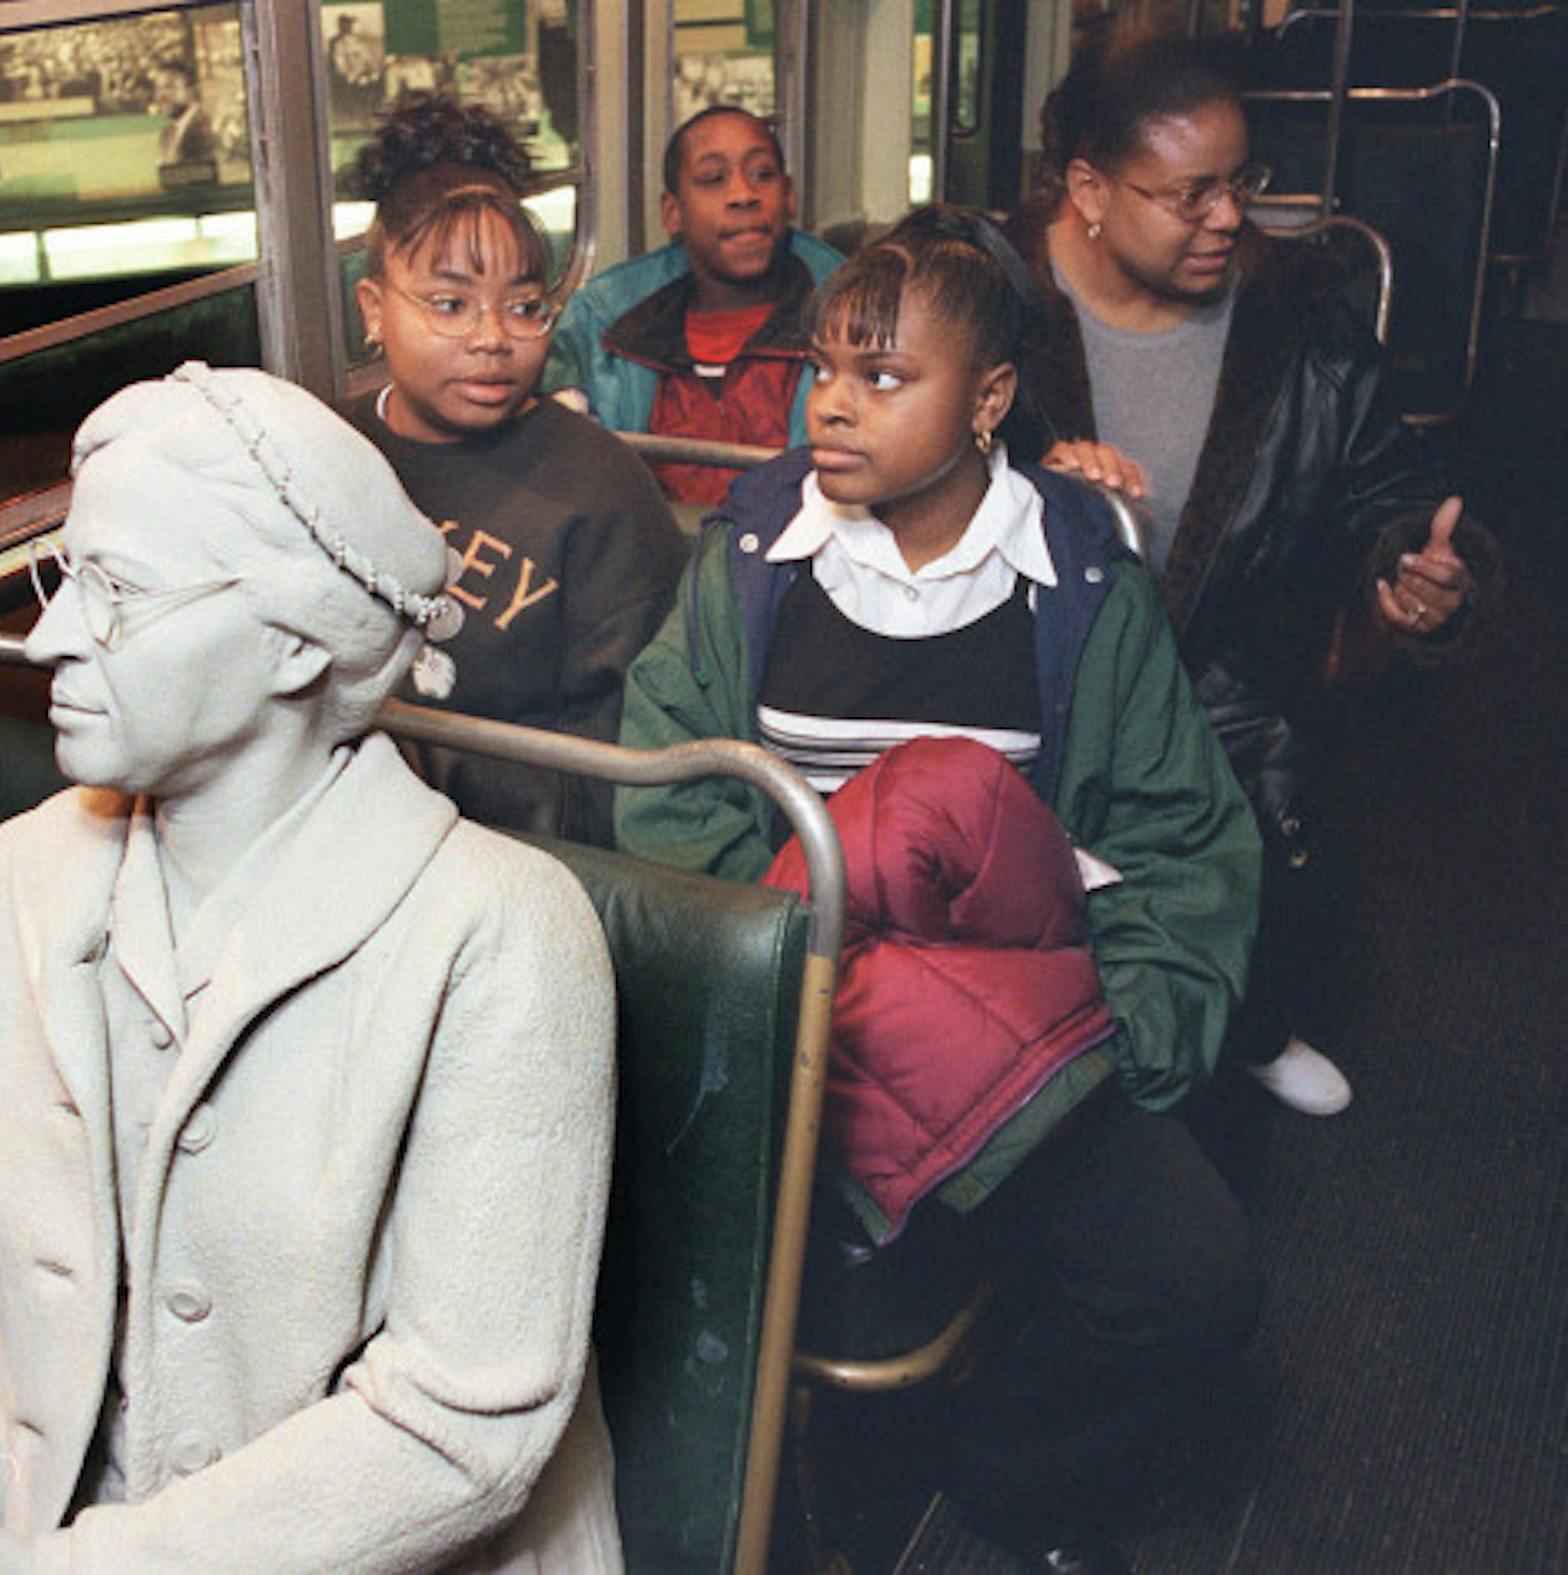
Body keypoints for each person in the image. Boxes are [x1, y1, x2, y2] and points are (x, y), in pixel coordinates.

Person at [0, 366, 624, 1573]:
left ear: (289, 643)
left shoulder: (506, 936)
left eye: (118, 590)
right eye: (67, 577)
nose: (49, 635)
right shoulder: (7, 881)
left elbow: (462, 1431)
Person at [618, 209, 1262, 1572]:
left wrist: (1130, 1040)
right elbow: (671, 799)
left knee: (1194, 1283)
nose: (832, 406)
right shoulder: (750, 565)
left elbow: (1183, 838)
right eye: (823, 370)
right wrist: (783, 993)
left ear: (989, 402)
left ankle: (1006, 1479)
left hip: (1019, 1015)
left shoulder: (1076, 581)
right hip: (801, 1003)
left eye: (882, 379)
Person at [1003, 33, 1500, 1116]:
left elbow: (1387, 500)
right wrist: (1027, 485)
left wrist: (1413, 570)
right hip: (1021, 682)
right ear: (1088, 187)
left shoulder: (1301, 329)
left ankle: (1250, 1016)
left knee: (1250, 880)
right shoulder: (989, 296)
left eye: (1241, 183)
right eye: (1189, 194)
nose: (1229, 218)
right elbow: (913, 455)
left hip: (1220, 683)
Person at [342, 93, 687, 845]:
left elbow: (626, 768)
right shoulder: (326, 458)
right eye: (449, 303)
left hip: (519, 853)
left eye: (525, 306)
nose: (493, 338)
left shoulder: (602, 489)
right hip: (339, 827)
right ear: (374, 308)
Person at [544, 106, 846, 506]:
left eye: (763, 175)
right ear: (673, 213)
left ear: (789, 196)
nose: (743, 195)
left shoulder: (853, 316)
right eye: (712, 179)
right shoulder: (601, 319)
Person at [150, 60, 213, 169]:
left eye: (169, 87)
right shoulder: (166, 134)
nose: (161, 95)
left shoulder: (209, 129)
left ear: (191, 90)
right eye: (158, 88)